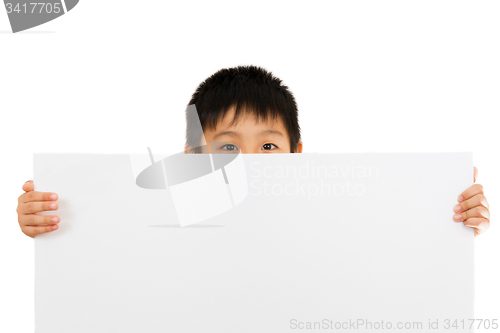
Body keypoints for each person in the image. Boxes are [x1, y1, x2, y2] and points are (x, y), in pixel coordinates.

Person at [16, 65, 490, 237]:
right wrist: (45, 216)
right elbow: (107, 232)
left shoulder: (333, 212)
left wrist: (449, 212)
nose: (247, 161)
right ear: (191, 156)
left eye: (268, 145)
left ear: (297, 152)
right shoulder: (171, 213)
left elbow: (388, 233)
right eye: (226, 146)